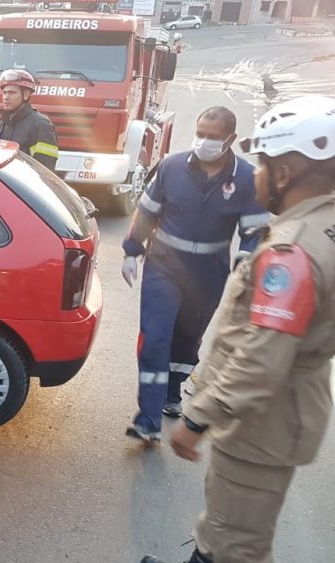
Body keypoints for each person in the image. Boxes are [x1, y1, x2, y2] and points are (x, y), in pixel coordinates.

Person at [141, 96, 335, 563]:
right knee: (226, 531)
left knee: (234, 544)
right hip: (284, 413)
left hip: (262, 421)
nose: (258, 177)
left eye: (264, 167)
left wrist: (196, 417)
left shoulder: (291, 253)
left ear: (285, 174)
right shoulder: (323, 225)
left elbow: (262, 357)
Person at [121, 106, 270, 444]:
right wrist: (132, 251)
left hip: (208, 273)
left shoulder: (246, 178)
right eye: (200, 133)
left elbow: (255, 231)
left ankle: (173, 391)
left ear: (230, 139)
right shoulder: (173, 166)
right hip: (164, 266)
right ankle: (148, 419)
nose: (203, 141)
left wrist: (247, 260)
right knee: (155, 337)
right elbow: (147, 212)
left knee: (187, 340)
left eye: (213, 137)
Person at [0, 69, 59, 171]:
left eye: (11, 93)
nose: (6, 97)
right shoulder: (3, 124)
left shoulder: (41, 125)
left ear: (26, 95)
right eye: (4, 93)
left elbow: (45, 170)